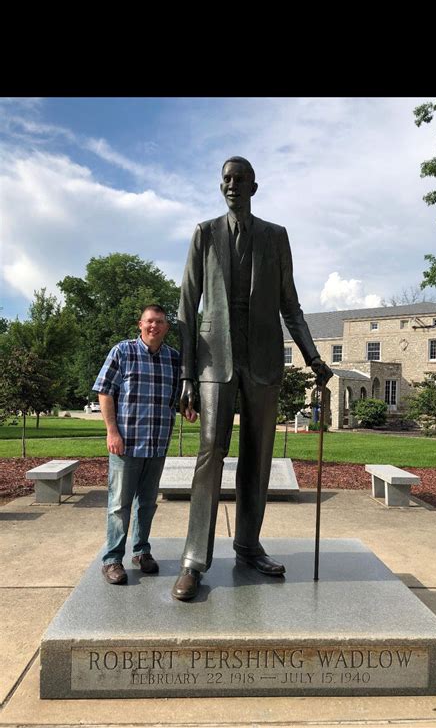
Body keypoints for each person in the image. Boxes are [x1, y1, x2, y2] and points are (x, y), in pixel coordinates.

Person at [172, 157, 333, 600]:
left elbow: (291, 306)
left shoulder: (275, 237)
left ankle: (247, 546)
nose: (232, 185)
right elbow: (187, 309)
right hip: (213, 362)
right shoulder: (204, 234)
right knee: (210, 454)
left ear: (254, 187)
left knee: (258, 459)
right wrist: (186, 373)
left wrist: (313, 356)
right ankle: (194, 560)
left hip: (262, 362)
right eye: (225, 179)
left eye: (240, 179)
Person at [93, 304, 180, 584]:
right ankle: (112, 560)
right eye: (150, 321)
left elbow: (178, 397)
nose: (154, 326)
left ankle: (141, 551)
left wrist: (188, 407)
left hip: (157, 444)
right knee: (119, 505)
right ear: (140, 324)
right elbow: (105, 392)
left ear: (166, 328)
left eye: (160, 322)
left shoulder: (174, 359)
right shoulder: (123, 352)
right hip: (126, 445)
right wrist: (111, 431)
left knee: (147, 504)